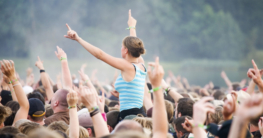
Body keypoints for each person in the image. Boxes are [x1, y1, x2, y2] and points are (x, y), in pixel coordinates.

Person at [64, 10, 147, 119]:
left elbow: (100, 55)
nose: (120, 48)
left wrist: (78, 39)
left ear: (126, 50)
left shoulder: (127, 66)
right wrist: (132, 27)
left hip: (130, 117)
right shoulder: (141, 64)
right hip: (138, 114)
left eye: (122, 46)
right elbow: (134, 44)